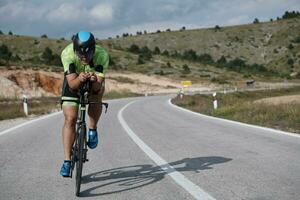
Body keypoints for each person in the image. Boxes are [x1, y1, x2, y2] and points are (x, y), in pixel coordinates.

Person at [59, 31, 109, 177]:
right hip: (74, 80)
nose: (84, 58)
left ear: (94, 50)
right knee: (70, 119)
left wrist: (94, 80)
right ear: (75, 50)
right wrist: (80, 79)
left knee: (96, 97)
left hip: (94, 81)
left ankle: (92, 128)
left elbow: (97, 88)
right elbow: (73, 85)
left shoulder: (102, 55)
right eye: (80, 54)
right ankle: (67, 161)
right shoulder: (67, 54)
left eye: (88, 54)